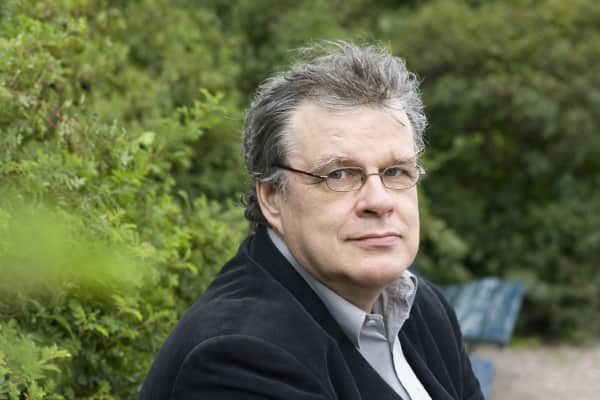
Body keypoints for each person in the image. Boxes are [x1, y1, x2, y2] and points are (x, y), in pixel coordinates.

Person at [140, 41, 483, 400]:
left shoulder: (422, 308)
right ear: (272, 197)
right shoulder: (237, 357)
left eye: (395, 171)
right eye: (339, 174)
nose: (379, 201)